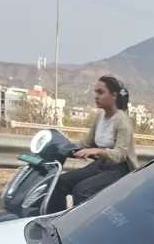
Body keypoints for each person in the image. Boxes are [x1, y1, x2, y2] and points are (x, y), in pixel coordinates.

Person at [49, 76, 139, 211]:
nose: (96, 96)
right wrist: (63, 146)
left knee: (82, 190)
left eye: (100, 92)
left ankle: (81, 226)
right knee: (61, 182)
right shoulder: (100, 117)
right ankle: (55, 219)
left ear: (114, 95)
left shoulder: (122, 121)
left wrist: (96, 151)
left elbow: (121, 154)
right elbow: (86, 142)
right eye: (95, 92)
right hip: (102, 165)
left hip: (120, 169)